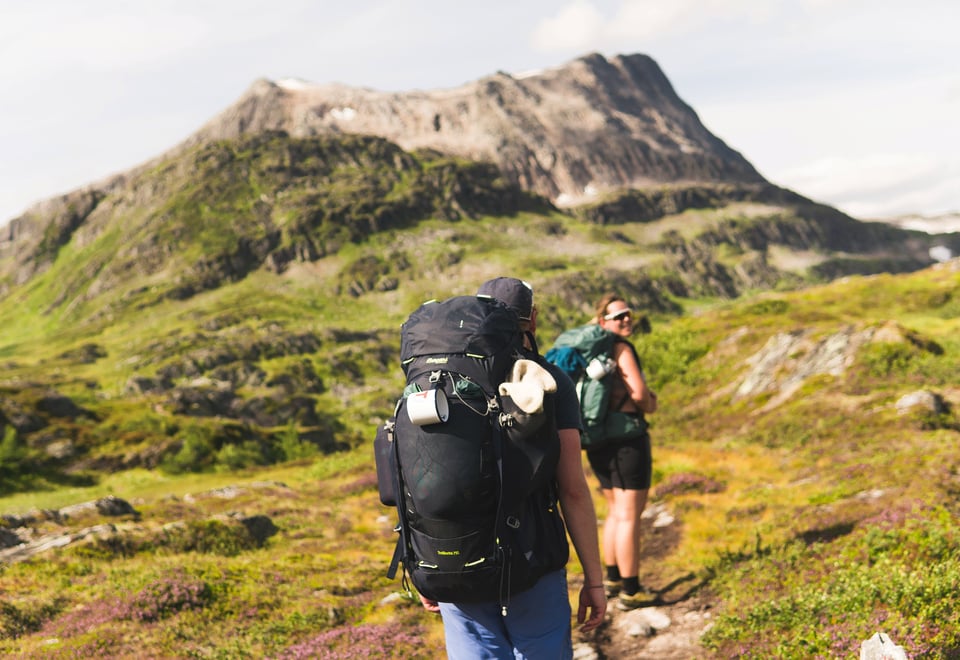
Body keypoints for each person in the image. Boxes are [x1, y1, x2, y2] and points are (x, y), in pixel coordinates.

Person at [419, 277, 607, 659]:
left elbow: (419, 477)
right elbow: (572, 488)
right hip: (531, 560)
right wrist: (594, 579)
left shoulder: (436, 381)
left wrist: (425, 564)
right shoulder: (550, 381)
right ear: (532, 319)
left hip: (456, 559)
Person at [585, 293, 658, 610]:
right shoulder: (621, 349)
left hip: (598, 439)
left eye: (627, 314)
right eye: (618, 316)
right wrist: (650, 402)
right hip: (628, 439)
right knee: (630, 515)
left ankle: (613, 578)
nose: (626, 320)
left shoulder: (594, 350)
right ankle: (632, 590)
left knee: (615, 511)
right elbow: (639, 393)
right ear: (603, 321)